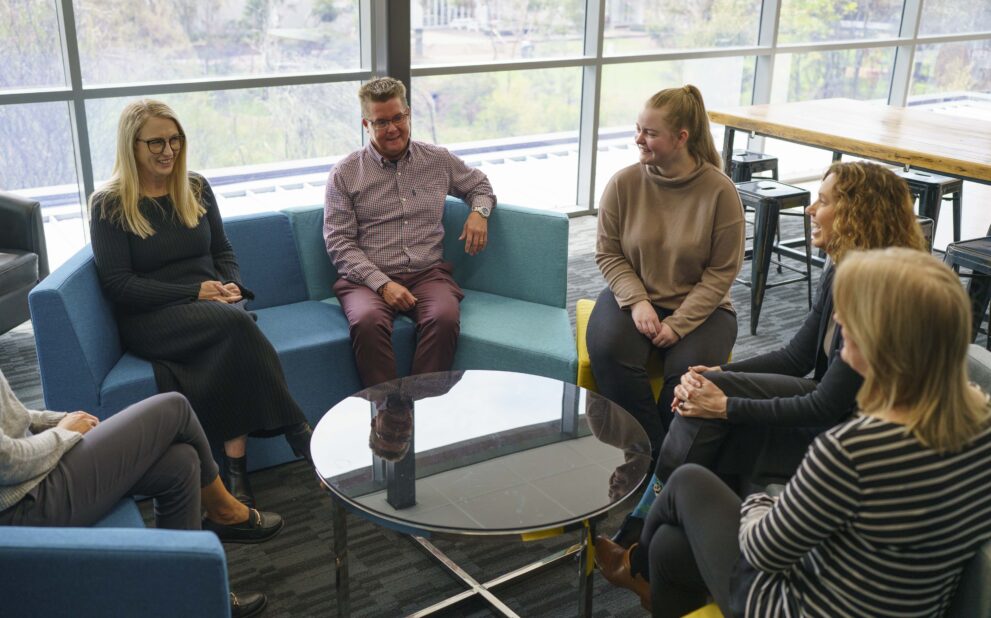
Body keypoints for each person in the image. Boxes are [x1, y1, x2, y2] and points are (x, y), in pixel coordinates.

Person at [595, 248, 991, 617]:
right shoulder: (979, 429)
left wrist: (761, 500)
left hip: (801, 607)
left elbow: (763, 549)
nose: (840, 320)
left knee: (688, 481)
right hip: (885, 600)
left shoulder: (852, 451)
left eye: (852, 314)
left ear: (884, 340)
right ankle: (641, 567)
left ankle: (635, 560)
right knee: (669, 548)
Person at [606, 161, 930, 547]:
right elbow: (797, 357)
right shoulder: (842, 267)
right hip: (825, 403)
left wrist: (725, 406)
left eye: (823, 202)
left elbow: (825, 407)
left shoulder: (875, 295)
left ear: (857, 215)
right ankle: (649, 540)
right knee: (706, 395)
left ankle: (639, 542)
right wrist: (717, 373)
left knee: (708, 421)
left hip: (846, 435)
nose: (810, 209)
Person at [89, 99, 312, 509]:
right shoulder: (109, 204)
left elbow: (222, 250)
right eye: (156, 142)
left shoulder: (195, 187)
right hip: (152, 317)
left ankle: (235, 472)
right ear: (131, 145)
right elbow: (119, 285)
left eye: (175, 139)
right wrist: (195, 292)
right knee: (236, 327)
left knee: (230, 336)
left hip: (212, 307)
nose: (169, 150)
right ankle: (298, 430)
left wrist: (230, 285)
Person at [0, 370, 282, 618]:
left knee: (181, 463)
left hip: (32, 479)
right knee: (175, 407)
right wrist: (63, 433)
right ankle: (224, 511)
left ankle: (191, 599)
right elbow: (6, 461)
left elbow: (10, 417)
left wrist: (56, 420)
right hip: (25, 505)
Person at [586, 84, 744, 451]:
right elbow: (608, 253)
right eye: (637, 129)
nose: (638, 139)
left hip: (703, 308)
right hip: (635, 296)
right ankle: (651, 457)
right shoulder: (623, 184)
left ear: (681, 138)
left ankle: (658, 464)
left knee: (686, 380)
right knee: (609, 352)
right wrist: (637, 301)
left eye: (650, 133)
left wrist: (679, 323)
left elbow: (722, 273)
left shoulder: (720, 192)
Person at [324, 77, 497, 389]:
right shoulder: (345, 173)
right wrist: (383, 285)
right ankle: (389, 410)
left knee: (444, 318)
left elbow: (480, 186)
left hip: (427, 272)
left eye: (398, 118)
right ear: (366, 124)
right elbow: (339, 242)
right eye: (381, 122)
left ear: (408, 114)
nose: (392, 129)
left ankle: (421, 404)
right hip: (367, 278)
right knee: (367, 322)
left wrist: (479, 213)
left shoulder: (437, 160)